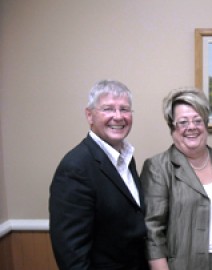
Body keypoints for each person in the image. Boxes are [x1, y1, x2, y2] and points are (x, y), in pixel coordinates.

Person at [49, 80, 149, 269]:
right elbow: (72, 255)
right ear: (90, 115)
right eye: (108, 109)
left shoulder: (126, 159)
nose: (118, 117)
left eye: (125, 109)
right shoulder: (75, 168)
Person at [140, 88, 212, 270]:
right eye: (183, 122)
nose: (191, 127)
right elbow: (152, 232)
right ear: (172, 127)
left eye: (197, 120)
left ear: (206, 124)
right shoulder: (158, 167)